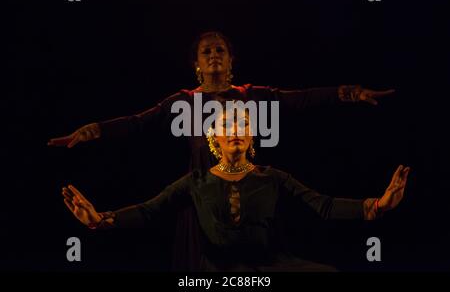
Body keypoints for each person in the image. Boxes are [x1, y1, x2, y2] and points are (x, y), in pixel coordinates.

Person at [50, 31, 396, 270]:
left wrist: (349, 92)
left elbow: (301, 98)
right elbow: (138, 121)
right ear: (197, 64)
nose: (214, 54)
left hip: (249, 189)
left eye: (220, 50)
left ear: (231, 60)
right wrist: (92, 131)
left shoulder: (250, 94)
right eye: (207, 51)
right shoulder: (184, 101)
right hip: (201, 194)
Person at [62, 106, 410, 271]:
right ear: (214, 139)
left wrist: (377, 205)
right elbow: (148, 210)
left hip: (269, 266)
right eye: (226, 125)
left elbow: (325, 205)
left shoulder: (272, 176)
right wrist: (99, 219)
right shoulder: (196, 181)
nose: (235, 129)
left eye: (243, 124)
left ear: (250, 138)